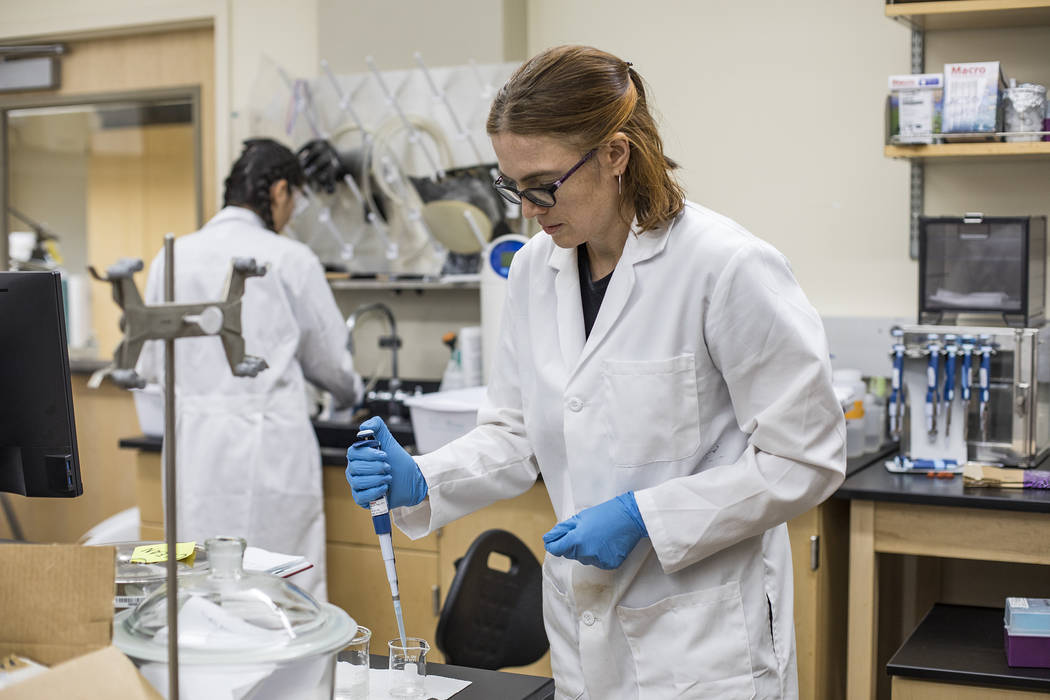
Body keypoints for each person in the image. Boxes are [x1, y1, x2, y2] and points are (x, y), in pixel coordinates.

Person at [346, 46, 845, 698]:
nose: (528, 207)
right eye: (512, 185)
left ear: (615, 155)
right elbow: (514, 432)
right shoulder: (533, 271)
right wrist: (424, 478)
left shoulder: (725, 267)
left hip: (703, 639)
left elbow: (806, 458)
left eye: (543, 184)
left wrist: (648, 516)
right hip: (584, 631)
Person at [138, 138, 364, 600]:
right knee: (277, 588)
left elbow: (149, 363)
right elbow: (330, 362)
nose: (292, 213)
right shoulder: (289, 257)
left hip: (193, 446)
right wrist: (350, 396)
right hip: (270, 443)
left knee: (198, 584)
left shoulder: (172, 255)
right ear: (280, 191)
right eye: (295, 200)